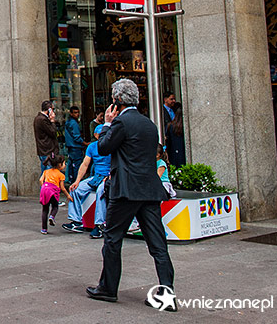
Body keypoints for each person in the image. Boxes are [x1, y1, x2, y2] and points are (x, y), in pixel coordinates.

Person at [85, 78, 176, 310]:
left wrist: (106, 124)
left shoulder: (121, 123)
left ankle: (108, 288)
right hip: (149, 190)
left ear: (116, 101)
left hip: (126, 190)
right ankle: (167, 295)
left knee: (113, 240)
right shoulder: (149, 124)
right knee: (158, 245)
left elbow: (104, 147)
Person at [63, 123, 112, 239]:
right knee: (75, 189)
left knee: (101, 192)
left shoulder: (113, 146)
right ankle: (76, 221)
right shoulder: (92, 147)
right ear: (96, 135)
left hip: (109, 177)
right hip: (96, 177)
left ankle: (100, 225)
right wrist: (77, 181)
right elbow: (85, 164)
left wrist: (110, 177)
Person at [39, 154, 71, 234]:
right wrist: (68, 195)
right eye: (64, 163)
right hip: (53, 191)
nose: (64, 165)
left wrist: (44, 187)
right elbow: (62, 188)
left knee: (45, 210)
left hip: (44, 189)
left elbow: (40, 180)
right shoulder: (61, 175)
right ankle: (52, 216)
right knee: (55, 206)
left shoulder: (46, 171)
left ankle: (44, 229)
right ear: (59, 164)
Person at [33, 101, 58, 173]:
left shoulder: (39, 118)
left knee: (46, 172)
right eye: (53, 109)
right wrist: (52, 121)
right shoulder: (42, 119)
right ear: (49, 110)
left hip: (44, 150)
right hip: (47, 150)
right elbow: (53, 132)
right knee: (48, 173)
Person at [63, 106, 85, 184]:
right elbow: (77, 137)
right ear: (71, 113)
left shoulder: (68, 122)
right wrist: (84, 143)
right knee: (77, 166)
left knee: (72, 165)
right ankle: (76, 181)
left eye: (78, 112)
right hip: (75, 147)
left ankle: (71, 180)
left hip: (71, 147)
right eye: (75, 113)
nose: (77, 114)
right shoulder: (74, 123)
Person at [165, 102, 186, 167]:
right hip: (183, 154)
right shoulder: (184, 127)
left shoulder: (170, 126)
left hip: (173, 155)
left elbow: (168, 142)